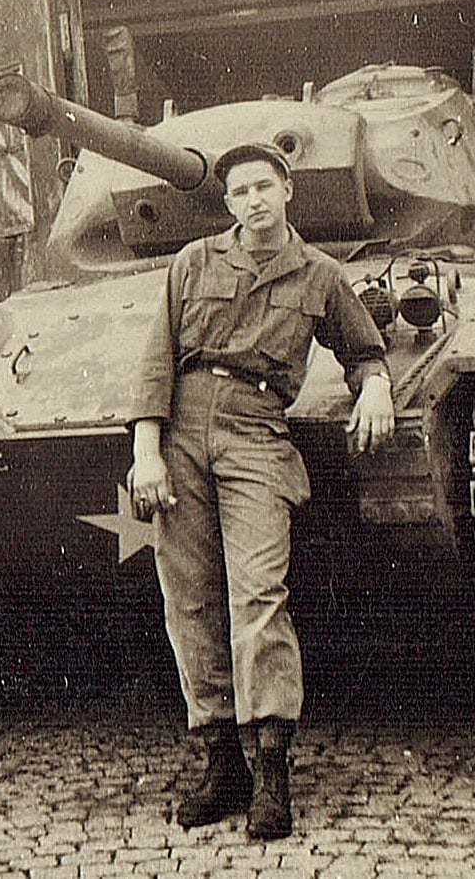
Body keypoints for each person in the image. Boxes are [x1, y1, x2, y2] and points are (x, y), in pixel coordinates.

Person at [126, 141, 394, 840]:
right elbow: (155, 357)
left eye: (261, 187)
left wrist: (376, 386)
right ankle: (222, 765)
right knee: (187, 598)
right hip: (180, 427)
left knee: (259, 594)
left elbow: (364, 349)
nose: (251, 201)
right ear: (228, 204)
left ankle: (270, 769)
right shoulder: (192, 263)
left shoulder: (321, 273)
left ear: (286, 192)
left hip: (255, 430)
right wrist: (145, 451)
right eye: (238, 191)